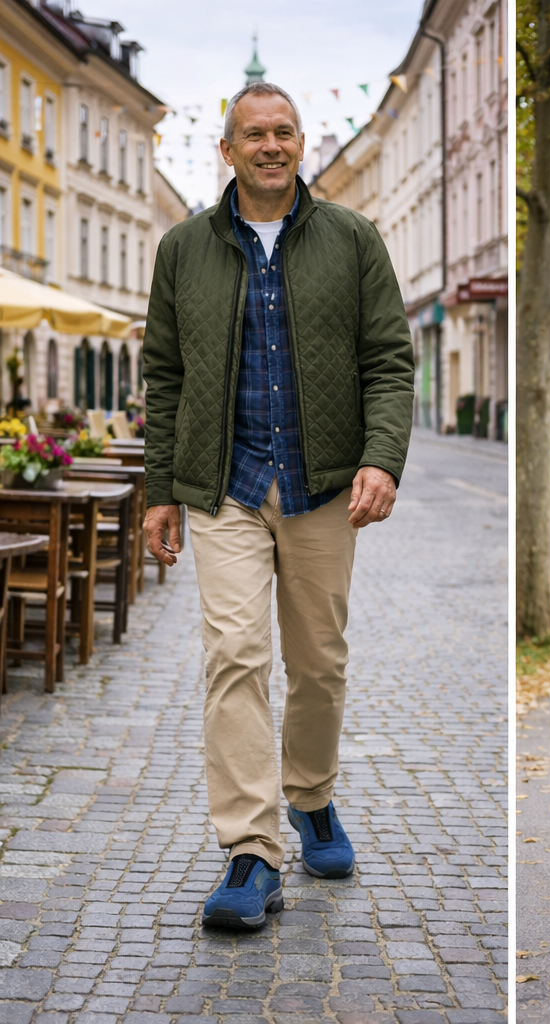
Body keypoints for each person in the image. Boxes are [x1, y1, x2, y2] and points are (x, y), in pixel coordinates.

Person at [143, 82, 414, 930]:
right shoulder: (184, 248)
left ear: (301, 143)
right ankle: (251, 850)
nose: (271, 145)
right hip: (224, 483)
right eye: (254, 134)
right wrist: (160, 490)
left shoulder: (352, 238)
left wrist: (381, 458)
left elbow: (389, 359)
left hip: (320, 485)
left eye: (284, 132)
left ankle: (312, 796)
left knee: (319, 661)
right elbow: (164, 375)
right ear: (226, 151)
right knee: (234, 654)